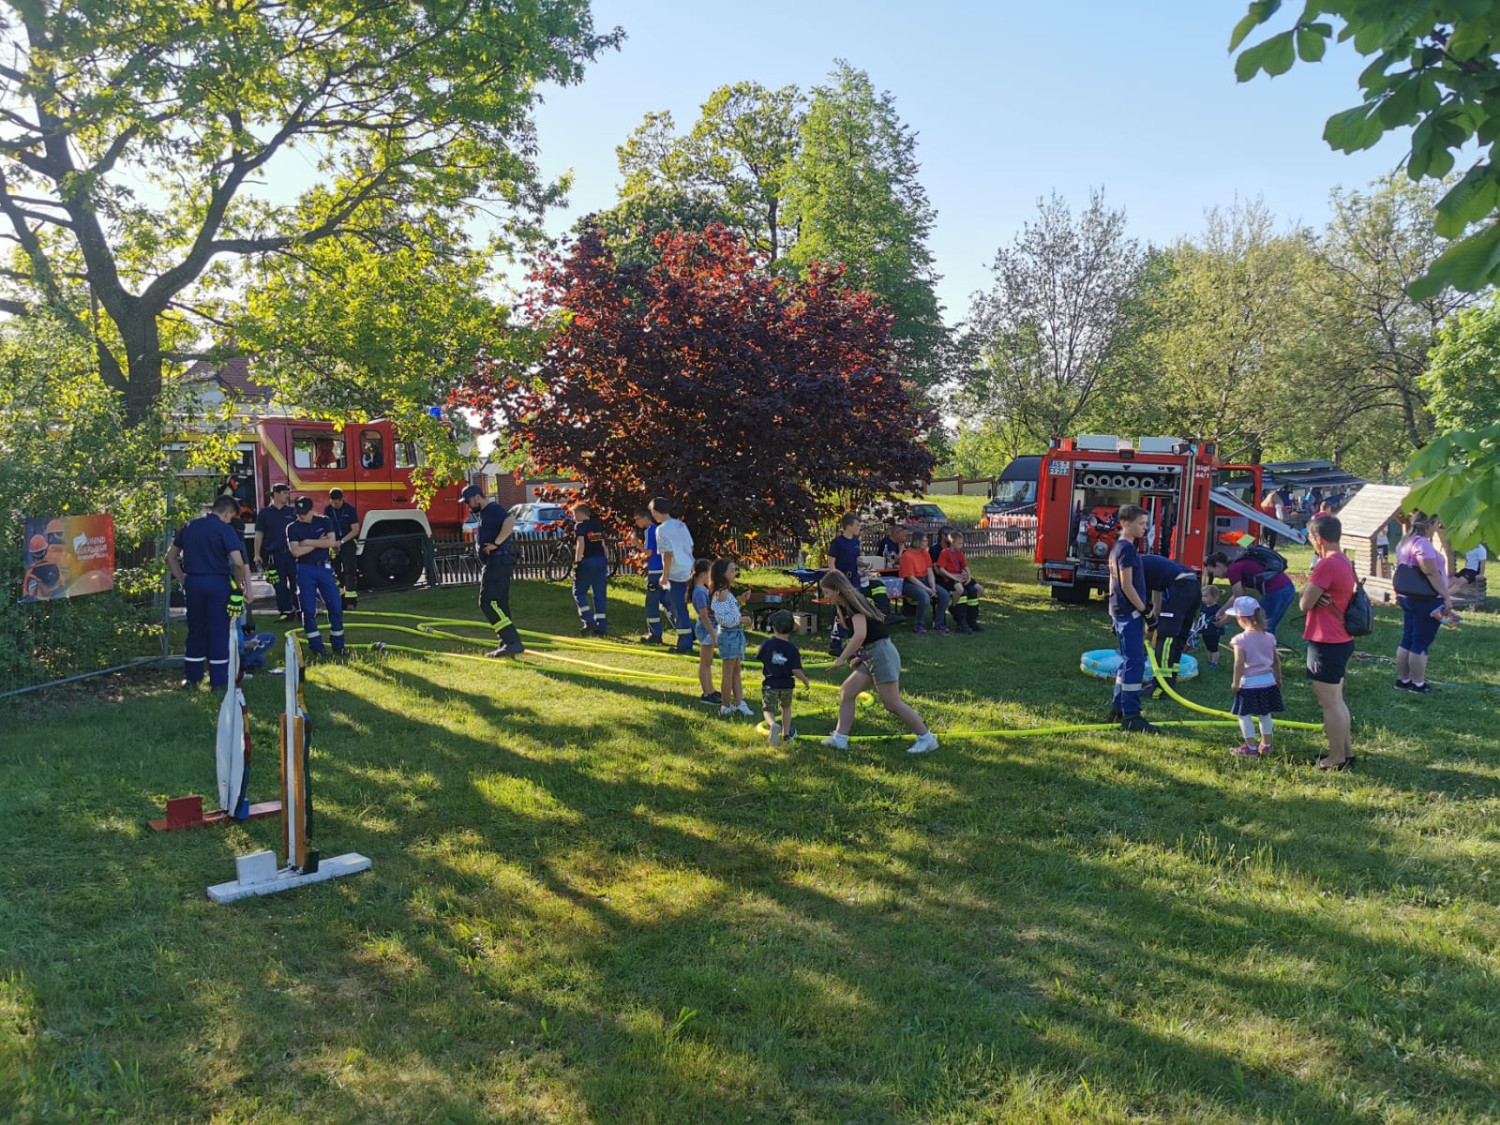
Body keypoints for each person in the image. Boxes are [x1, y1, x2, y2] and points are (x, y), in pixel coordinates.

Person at [817, 569, 938, 754]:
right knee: (847, 691)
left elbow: (860, 635)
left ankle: (927, 739)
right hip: (872, 653)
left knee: (892, 704)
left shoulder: (853, 604)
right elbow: (866, 636)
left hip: (881, 654)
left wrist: (842, 658)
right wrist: (859, 656)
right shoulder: (843, 606)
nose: (826, 597)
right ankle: (840, 739)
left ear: (838, 590)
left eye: (827, 592)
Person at [166, 495, 251, 689]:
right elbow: (238, 563)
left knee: (195, 630)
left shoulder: (189, 526)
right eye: (231, 517)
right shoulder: (225, 529)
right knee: (219, 631)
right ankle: (219, 680)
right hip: (218, 584)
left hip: (193, 582)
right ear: (228, 512)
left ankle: (192, 678)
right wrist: (237, 588)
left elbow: (170, 557)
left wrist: (183, 579)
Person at [1301, 513, 1356, 769]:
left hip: (1326, 639)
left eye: (1311, 537)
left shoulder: (1326, 564)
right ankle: (1345, 751)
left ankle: (1335, 758)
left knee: (1328, 701)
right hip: (1341, 638)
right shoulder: (1344, 560)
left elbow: (1304, 603)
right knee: (1337, 699)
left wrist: (1313, 593)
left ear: (1318, 538)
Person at [1108, 504, 1158, 734]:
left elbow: (1112, 582)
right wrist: (1146, 611)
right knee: (1135, 662)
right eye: (1140, 524)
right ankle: (1131, 715)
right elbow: (1126, 584)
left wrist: (1112, 609)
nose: (1144, 528)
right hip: (1130, 613)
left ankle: (1117, 707)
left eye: (1146, 524)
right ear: (1125, 523)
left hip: (1121, 612)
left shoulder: (1118, 547)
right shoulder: (1126, 549)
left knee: (1128, 661)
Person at [1395, 512, 1456, 693]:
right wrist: (1446, 596)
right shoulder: (1422, 544)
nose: (1437, 528)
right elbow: (1430, 571)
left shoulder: (1403, 542)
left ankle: (1403, 680)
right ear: (1430, 523)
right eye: (1436, 524)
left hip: (1407, 596)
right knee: (1421, 642)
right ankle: (1418, 683)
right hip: (1427, 599)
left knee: (1408, 638)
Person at [463, 484, 524, 658]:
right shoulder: (485, 513)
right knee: (500, 603)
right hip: (498, 562)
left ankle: (512, 641)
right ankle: (506, 642)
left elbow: (510, 522)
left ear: (476, 497)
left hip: (497, 562)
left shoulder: (493, 509)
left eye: (468, 502)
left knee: (487, 602)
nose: (468, 506)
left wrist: (496, 543)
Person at [286, 496, 346, 658]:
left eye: (304, 513)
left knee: (335, 605)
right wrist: (318, 542)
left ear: (312, 510)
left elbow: (332, 542)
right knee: (308, 608)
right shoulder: (292, 528)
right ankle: (317, 646)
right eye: (299, 513)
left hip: (324, 567)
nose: (301, 516)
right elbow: (296, 552)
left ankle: (339, 644)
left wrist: (306, 542)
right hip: (304, 569)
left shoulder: (324, 521)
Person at [1226, 596, 1284, 758]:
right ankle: (1266, 744)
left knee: (1244, 715)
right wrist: (1278, 679)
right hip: (1268, 682)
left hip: (1249, 684)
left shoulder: (1240, 640)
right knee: (1265, 714)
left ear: (1241, 619)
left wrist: (1236, 682)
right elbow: (1276, 662)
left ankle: (1250, 748)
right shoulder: (1270, 637)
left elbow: (1239, 663)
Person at [1204, 548, 1297, 641]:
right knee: (1267, 624)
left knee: (1261, 625)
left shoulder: (1233, 570)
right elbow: (1238, 594)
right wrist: (1221, 611)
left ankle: (1265, 650)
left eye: (1212, 572)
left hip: (1277, 591)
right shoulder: (1236, 566)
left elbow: (1239, 599)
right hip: (1287, 588)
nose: (1214, 576)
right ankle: (1269, 649)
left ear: (1218, 565)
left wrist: (1227, 618)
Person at [826, 514, 897, 623]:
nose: (859, 527)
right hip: (843, 578)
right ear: (849, 526)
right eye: (857, 525)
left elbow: (854, 560)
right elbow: (831, 562)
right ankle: (838, 623)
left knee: (877, 585)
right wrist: (836, 580)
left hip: (855, 578)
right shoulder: (838, 542)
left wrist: (864, 568)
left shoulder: (855, 542)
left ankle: (884, 615)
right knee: (844, 602)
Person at [1141, 553, 1201, 677]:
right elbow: (1156, 606)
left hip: (1180, 587)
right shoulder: (1152, 566)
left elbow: (1139, 604)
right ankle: (1171, 678)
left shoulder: (1135, 568)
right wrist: (1151, 624)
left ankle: (1160, 685)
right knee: (1179, 637)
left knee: (1166, 636)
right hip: (1194, 586)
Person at [709, 559, 755, 718]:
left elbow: (732, 610)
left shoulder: (727, 593)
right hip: (729, 636)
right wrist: (742, 620)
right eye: (731, 570)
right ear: (722, 574)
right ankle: (725, 706)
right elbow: (724, 619)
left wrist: (741, 600)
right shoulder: (722, 593)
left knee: (736, 671)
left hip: (734, 636)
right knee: (728, 672)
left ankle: (740, 703)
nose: (734, 572)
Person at [757, 610, 809, 747]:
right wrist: (805, 680)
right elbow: (796, 670)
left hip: (770, 684)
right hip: (787, 685)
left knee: (768, 709)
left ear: (773, 627)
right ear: (792, 628)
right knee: (786, 708)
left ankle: (773, 725)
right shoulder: (792, 649)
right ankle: (786, 735)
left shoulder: (767, 644)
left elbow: (760, 656)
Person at [651, 496, 696, 654]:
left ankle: (685, 643)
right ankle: (691, 633)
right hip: (689, 568)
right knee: (676, 603)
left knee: (678, 607)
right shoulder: (680, 525)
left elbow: (667, 554)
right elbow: (690, 546)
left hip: (675, 573)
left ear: (656, 512)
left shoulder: (661, 530)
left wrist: (664, 575)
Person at [252, 483, 299, 621]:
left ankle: (301, 609)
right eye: (285, 493)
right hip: (274, 555)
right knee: (279, 585)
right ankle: (285, 611)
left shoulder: (292, 512)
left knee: (297, 582)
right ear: (276, 494)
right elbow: (259, 534)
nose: (287, 496)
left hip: (291, 553)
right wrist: (256, 554)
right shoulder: (264, 514)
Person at [935, 528, 984, 634]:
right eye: (959, 543)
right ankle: (953, 607)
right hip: (949, 578)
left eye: (962, 543)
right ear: (952, 542)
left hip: (961, 577)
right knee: (960, 590)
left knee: (978, 589)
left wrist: (969, 577)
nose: (961, 546)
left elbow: (965, 567)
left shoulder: (959, 553)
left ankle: (972, 619)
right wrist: (954, 577)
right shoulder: (944, 553)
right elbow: (941, 569)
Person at [899, 531, 948, 633]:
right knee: (924, 597)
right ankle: (919, 624)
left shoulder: (925, 554)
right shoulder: (907, 555)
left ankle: (938, 623)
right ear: (918, 542)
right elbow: (911, 577)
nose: (927, 543)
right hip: (911, 583)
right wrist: (927, 589)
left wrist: (933, 586)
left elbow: (930, 572)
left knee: (944, 594)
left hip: (925, 580)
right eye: (925, 541)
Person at [571, 502, 609, 637]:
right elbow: (602, 544)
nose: (573, 517)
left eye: (574, 514)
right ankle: (602, 626)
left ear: (581, 513)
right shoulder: (596, 525)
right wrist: (606, 560)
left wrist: (576, 563)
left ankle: (588, 620)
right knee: (599, 595)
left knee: (578, 592)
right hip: (600, 561)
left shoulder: (580, 526)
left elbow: (580, 544)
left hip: (587, 561)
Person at [324, 488, 361, 611]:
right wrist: (333, 543)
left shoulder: (350, 510)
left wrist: (342, 542)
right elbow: (327, 528)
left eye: (337, 503)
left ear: (342, 499)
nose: (334, 505)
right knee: (335, 572)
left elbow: (355, 529)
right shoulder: (328, 510)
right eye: (332, 502)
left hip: (347, 542)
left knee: (349, 571)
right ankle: (340, 599)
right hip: (333, 543)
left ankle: (351, 601)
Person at [688, 560, 718, 706]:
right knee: (705, 663)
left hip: (709, 627)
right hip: (706, 628)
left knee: (709, 661)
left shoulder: (703, 589)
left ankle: (711, 690)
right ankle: (706, 693)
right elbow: (704, 616)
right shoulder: (699, 592)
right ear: (704, 574)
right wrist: (713, 635)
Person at [634, 507, 664, 644]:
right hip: (664, 570)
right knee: (667, 601)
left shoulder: (650, 531)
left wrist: (637, 545)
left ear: (646, 518)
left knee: (651, 603)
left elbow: (649, 552)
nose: (636, 523)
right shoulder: (661, 529)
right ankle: (685, 631)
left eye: (637, 519)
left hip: (655, 571)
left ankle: (654, 633)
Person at [1190, 586, 1226, 669]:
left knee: (1214, 647)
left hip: (1214, 631)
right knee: (1208, 646)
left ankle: (1215, 662)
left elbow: (1221, 617)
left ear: (1214, 597)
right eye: (1202, 596)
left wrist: (1218, 619)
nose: (1203, 598)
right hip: (1206, 630)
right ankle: (1209, 660)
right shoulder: (1204, 606)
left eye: (1206, 596)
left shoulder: (1217, 608)